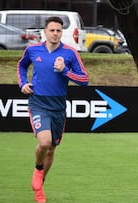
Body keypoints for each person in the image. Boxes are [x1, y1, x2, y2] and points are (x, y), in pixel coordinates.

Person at [17, 16, 89, 203]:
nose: (55, 33)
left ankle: (40, 183)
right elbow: (22, 66)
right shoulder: (33, 50)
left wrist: (65, 70)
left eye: (58, 30)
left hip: (58, 107)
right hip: (38, 103)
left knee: (51, 150)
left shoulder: (70, 53)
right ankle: (38, 170)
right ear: (45, 32)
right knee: (45, 142)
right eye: (52, 30)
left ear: (61, 33)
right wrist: (23, 83)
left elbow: (84, 80)